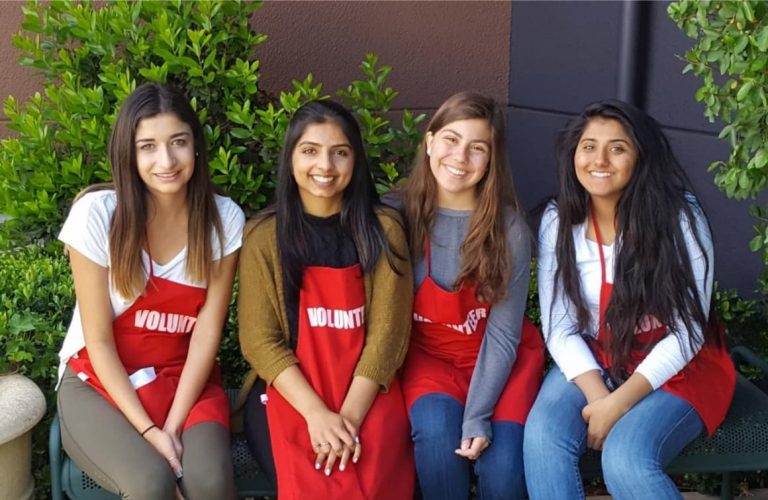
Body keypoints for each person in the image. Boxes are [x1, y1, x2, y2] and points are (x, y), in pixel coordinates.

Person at [524, 99, 736, 499]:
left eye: (617, 147)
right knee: (542, 438)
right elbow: (560, 325)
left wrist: (619, 403)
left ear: (641, 156)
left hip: (682, 365)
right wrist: (599, 398)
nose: (599, 159)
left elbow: (689, 330)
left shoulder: (679, 217)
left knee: (626, 458)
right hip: (597, 355)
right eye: (588, 146)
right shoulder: (560, 219)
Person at [56, 83, 244, 499]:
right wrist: (148, 431)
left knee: (208, 482)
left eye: (178, 142)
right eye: (148, 146)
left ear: (196, 146)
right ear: (129, 153)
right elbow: (99, 341)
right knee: (151, 484)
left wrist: (172, 428)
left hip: (183, 382)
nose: (166, 160)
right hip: (99, 383)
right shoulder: (97, 215)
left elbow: (207, 334)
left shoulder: (223, 218)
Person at [237, 100, 415, 499]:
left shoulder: (383, 230)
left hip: (368, 391)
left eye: (340, 152)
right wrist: (317, 416)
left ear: (356, 160)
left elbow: (388, 338)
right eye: (310, 151)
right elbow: (259, 340)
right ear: (291, 158)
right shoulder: (264, 236)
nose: (326, 166)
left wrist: (346, 421)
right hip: (291, 392)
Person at [393, 91, 544, 500]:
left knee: (504, 473)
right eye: (451, 139)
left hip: (500, 361)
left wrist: (477, 416)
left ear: (491, 159)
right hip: (430, 360)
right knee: (438, 445)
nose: (460, 156)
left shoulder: (508, 228)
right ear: (429, 142)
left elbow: (503, 334)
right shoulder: (397, 218)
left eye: (477, 148)